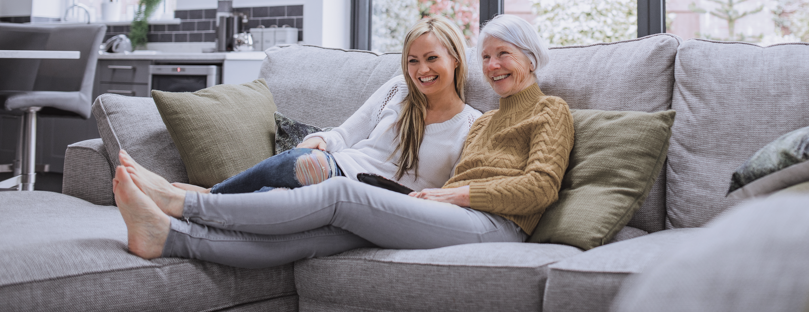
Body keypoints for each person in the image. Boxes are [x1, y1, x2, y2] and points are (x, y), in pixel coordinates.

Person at [114, 14, 574, 268]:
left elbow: (540, 188)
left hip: (496, 224)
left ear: (531, 59)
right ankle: (169, 238)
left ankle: (185, 204)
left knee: (338, 192)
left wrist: (454, 194)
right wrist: (448, 196)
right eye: (487, 56)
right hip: (451, 213)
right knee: (313, 238)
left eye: (503, 55)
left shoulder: (550, 110)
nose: (492, 66)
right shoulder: (487, 121)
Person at [168, 15, 480, 196]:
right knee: (299, 172)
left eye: (431, 58)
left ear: (455, 58)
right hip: (342, 170)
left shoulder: (471, 125)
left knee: (288, 191)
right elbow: (344, 134)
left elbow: (454, 188)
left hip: (383, 199)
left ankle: (207, 197)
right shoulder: (398, 89)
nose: (422, 70)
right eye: (413, 61)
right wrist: (320, 140)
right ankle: (209, 197)